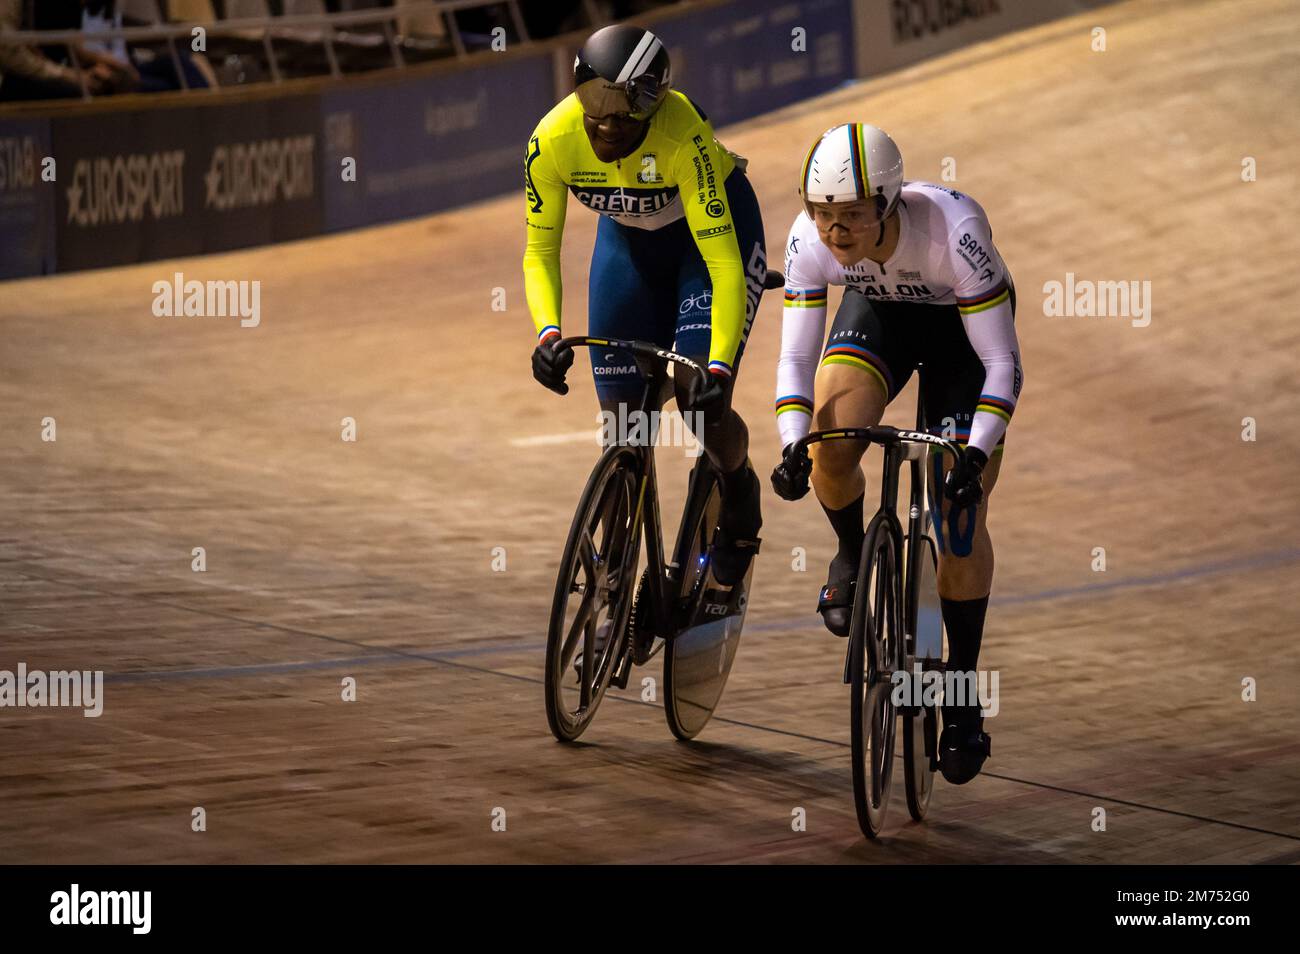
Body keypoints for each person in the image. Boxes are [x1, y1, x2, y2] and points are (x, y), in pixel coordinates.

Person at [770, 123, 1023, 785]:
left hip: (962, 342)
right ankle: (852, 552)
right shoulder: (807, 239)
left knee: (958, 521)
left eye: (850, 215)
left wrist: (976, 453)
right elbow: (796, 358)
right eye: (822, 214)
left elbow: (1002, 362)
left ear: (885, 202)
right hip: (881, 315)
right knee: (833, 436)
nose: (834, 230)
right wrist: (794, 444)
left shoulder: (954, 233)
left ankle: (961, 697)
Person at [524, 24, 769, 588]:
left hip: (707, 247)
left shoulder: (684, 134)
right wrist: (547, 333)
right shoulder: (552, 138)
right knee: (624, 425)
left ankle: (738, 489)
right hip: (629, 245)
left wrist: (719, 365)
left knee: (697, 401)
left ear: (653, 106)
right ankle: (611, 578)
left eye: (623, 113)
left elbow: (725, 266)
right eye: (595, 105)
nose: (607, 124)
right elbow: (540, 251)